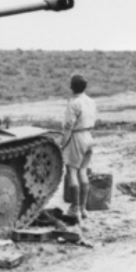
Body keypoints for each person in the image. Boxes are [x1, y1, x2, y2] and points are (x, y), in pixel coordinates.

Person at [61, 74, 97, 221]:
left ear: (72, 88)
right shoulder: (91, 101)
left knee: (72, 173)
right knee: (83, 172)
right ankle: (83, 208)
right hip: (89, 136)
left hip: (76, 137)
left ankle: (75, 209)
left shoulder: (73, 103)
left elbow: (69, 126)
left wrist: (63, 144)